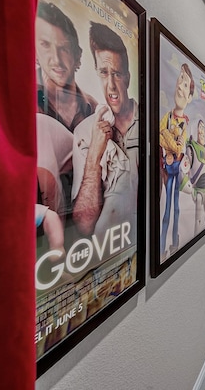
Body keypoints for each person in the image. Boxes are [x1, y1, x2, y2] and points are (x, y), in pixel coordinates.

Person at [71, 22, 138, 243]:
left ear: (127, 77)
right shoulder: (84, 132)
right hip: (105, 257)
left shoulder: (150, 125)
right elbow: (83, 224)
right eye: (103, 72)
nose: (110, 85)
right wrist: (94, 156)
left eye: (117, 74)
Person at [35, 0, 97, 131]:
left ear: (78, 56)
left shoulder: (94, 110)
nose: (57, 59)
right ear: (35, 53)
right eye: (45, 45)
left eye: (64, 48)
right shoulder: (22, 99)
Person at [159, 63, 194, 258]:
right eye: (179, 80)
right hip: (168, 170)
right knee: (166, 211)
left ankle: (174, 240)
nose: (180, 86)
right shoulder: (166, 117)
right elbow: (160, 136)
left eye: (185, 84)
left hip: (177, 170)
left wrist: (169, 138)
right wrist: (172, 140)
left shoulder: (184, 123)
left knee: (177, 208)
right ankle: (162, 245)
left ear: (189, 97)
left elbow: (180, 147)